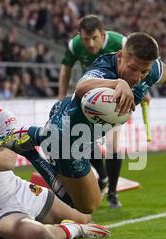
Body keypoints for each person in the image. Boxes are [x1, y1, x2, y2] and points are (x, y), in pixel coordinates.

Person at [0, 32, 166, 214]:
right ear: (120, 56)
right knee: (83, 207)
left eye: (144, 71)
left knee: (88, 203)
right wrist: (118, 82)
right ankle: (32, 148)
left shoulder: (149, 69)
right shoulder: (104, 66)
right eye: (132, 68)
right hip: (66, 135)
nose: (138, 76)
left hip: (85, 137)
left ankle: (31, 143)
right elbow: (82, 88)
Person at [0, 63, 110, 239]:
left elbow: (8, 161)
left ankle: (74, 224)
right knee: (41, 235)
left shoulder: (4, 116)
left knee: (84, 215)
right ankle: (75, 229)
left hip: (22, 190)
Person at [58, 14, 129, 209]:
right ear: (79, 35)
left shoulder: (120, 42)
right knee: (83, 139)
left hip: (115, 98)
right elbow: (65, 69)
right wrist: (62, 96)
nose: (89, 44)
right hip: (88, 97)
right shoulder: (75, 45)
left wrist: (142, 88)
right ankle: (103, 178)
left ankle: (113, 194)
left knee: (113, 142)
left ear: (103, 34)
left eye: (94, 38)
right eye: (85, 38)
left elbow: (137, 66)